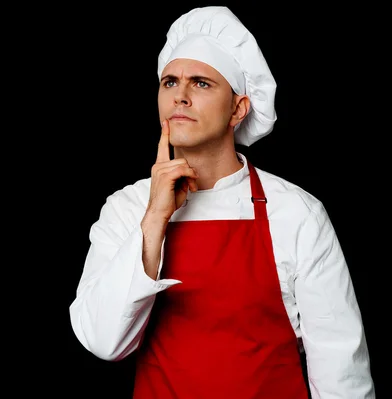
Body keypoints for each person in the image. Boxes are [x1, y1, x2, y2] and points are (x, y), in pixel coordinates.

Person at [68, 5, 375, 399]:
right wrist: (155, 218)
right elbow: (103, 341)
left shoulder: (297, 213)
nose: (179, 95)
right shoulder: (126, 209)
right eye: (169, 82)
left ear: (238, 108)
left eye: (201, 83)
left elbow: (340, 371)